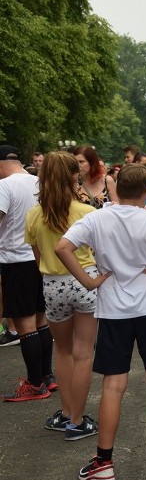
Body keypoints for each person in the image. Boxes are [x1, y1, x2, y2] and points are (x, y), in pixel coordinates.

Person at [56, 163, 146, 480]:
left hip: (113, 308)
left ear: (116, 188)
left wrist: (88, 281)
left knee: (113, 385)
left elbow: (62, 247)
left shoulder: (97, 217)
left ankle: (104, 462)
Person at [25, 152, 99, 438]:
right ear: (74, 176)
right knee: (84, 353)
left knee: (63, 350)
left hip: (53, 284)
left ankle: (66, 412)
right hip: (85, 281)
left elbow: (37, 256)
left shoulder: (34, 215)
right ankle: (78, 421)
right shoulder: (86, 212)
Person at [0, 145, 53, 402]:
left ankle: (34, 384)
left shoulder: (5, 186)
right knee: (41, 320)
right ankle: (47, 376)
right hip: (39, 258)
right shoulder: (40, 182)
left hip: (15, 260)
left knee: (24, 324)